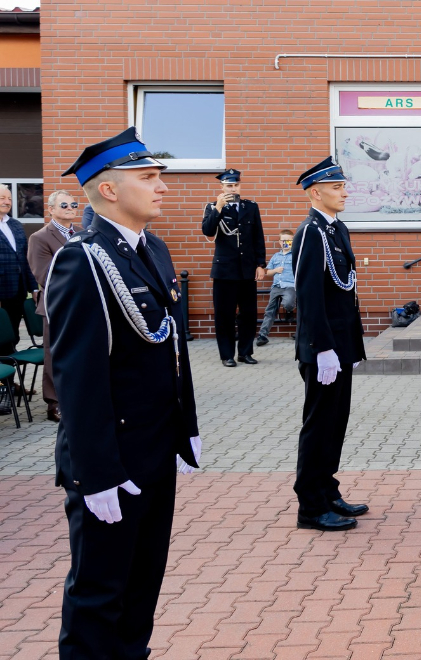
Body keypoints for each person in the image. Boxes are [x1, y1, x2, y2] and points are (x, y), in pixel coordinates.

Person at [47, 127, 202, 658]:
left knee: (141, 590)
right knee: (99, 596)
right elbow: (76, 375)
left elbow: (172, 348)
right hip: (111, 459)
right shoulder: (82, 259)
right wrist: (96, 474)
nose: (161, 187)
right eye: (148, 176)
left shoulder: (153, 250)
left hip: (154, 450)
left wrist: (188, 428)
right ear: (108, 190)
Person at [291, 156, 368, 532]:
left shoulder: (337, 229)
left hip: (340, 345)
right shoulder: (311, 232)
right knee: (319, 424)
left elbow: (346, 293)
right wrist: (321, 347)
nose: (344, 192)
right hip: (323, 347)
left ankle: (327, 488)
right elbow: (309, 295)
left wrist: (352, 347)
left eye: (343, 185)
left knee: (337, 421)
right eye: (336, 187)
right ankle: (310, 505)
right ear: (315, 192)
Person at [202, 168, 267, 367]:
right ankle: (227, 355)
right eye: (229, 185)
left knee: (248, 314)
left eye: (235, 184)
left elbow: (258, 237)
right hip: (224, 270)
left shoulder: (251, 207)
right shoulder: (212, 207)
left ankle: (245, 353)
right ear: (221, 187)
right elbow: (208, 231)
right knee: (225, 315)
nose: (233, 188)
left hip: (247, 269)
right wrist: (218, 208)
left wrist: (260, 264)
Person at [27, 190, 81, 421]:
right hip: (57, 305)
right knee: (54, 353)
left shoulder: (82, 233)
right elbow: (44, 275)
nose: (70, 208)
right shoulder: (40, 238)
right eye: (64, 205)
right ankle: (54, 403)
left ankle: (79, 397)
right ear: (50, 210)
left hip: (83, 302)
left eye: (73, 204)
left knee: (80, 352)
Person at [0, 185, 38, 354]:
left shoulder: (15, 224)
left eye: (9, 198)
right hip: (1, 290)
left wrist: (34, 287)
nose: (7, 202)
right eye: (2, 198)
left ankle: (8, 380)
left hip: (17, 291)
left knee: (12, 337)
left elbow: (24, 258)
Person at [256, 229, 296, 345]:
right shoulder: (276, 256)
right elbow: (267, 272)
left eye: (289, 241)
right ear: (279, 242)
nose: (286, 243)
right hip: (277, 286)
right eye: (284, 240)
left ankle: (289, 311)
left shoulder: (295, 256)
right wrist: (275, 270)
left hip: (290, 285)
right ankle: (262, 335)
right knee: (270, 310)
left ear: (292, 242)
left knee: (288, 302)